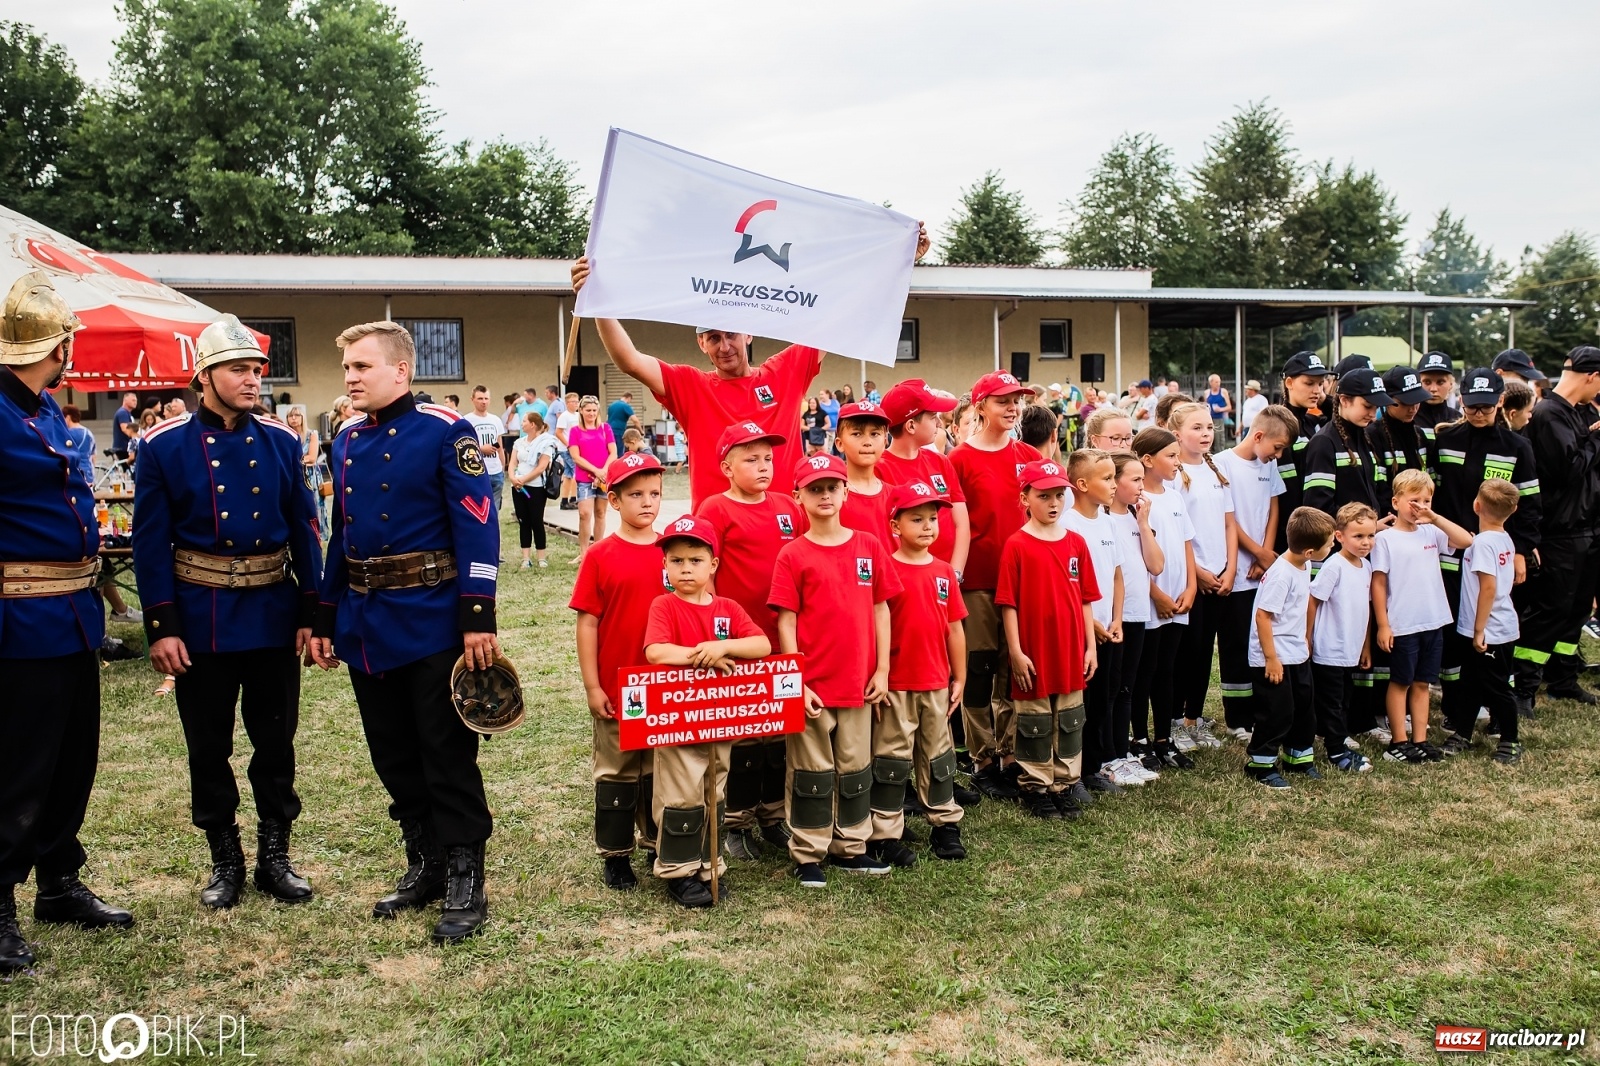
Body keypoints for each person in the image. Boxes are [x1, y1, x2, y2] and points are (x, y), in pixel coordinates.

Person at [309, 320, 501, 944]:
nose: (351, 378)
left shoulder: (447, 431)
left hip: (433, 618)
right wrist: (326, 615)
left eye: (362, 366)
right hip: (367, 623)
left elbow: (478, 523)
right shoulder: (345, 439)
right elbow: (341, 534)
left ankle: (465, 875)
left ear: (401, 370)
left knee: (445, 751)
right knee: (391, 752)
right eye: (347, 368)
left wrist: (477, 616)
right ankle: (427, 862)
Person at [130, 314, 321, 910]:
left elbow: (306, 530)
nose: (252, 380)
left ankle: (275, 856)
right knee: (208, 747)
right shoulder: (163, 447)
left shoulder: (281, 441)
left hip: (271, 612)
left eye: (256, 369)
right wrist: (162, 626)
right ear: (204, 377)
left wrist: (312, 611)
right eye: (238, 369)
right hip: (201, 619)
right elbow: (149, 545)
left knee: (276, 742)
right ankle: (225, 859)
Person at [570, 224, 928, 507]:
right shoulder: (690, 386)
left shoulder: (784, 372)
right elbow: (630, 361)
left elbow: (840, 312)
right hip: (717, 537)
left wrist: (898, 263)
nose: (724, 346)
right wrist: (596, 302)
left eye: (731, 334)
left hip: (786, 528)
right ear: (701, 343)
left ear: (749, 334)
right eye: (713, 338)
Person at [0, 272, 134, 973]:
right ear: (58, 347)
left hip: (73, 614)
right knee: (19, 767)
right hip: (20, 618)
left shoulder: (45, 409)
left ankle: (57, 881)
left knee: (71, 759)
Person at [769, 454, 902, 887]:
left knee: (855, 767)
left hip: (859, 681)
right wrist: (796, 680)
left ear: (846, 492)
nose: (825, 495)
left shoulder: (868, 544)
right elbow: (786, 621)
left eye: (832, 487)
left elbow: (881, 608)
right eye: (815, 489)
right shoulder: (792, 553)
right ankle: (808, 852)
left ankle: (851, 847)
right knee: (811, 771)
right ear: (798, 497)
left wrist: (882, 670)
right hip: (812, 684)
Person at [644, 515, 771, 907]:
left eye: (695, 560)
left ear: (713, 564)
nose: (686, 569)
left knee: (713, 791)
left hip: (719, 721)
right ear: (665, 565)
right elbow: (656, 651)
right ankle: (678, 871)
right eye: (677, 560)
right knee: (680, 796)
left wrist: (724, 647)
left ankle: (708, 865)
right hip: (677, 721)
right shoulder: (664, 605)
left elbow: (762, 645)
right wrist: (702, 656)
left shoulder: (727, 608)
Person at [695, 423, 805, 861]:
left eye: (768, 459)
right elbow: (705, 574)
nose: (763, 467)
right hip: (738, 644)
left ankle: (773, 815)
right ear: (726, 467)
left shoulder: (787, 507)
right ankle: (736, 822)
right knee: (742, 737)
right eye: (751, 459)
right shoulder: (715, 508)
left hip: (782, 637)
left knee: (777, 736)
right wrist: (716, 632)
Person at [1425, 369, 1541, 735]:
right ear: (1461, 401)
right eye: (1472, 407)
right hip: (1449, 555)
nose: (1478, 413)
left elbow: (1530, 505)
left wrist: (1521, 550)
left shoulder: (1517, 446)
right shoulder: (1444, 440)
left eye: (1486, 408)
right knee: (1454, 636)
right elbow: (1432, 496)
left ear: (1500, 402)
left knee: (1491, 631)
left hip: (1493, 555)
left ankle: (1497, 707)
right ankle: (1456, 709)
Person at [569, 452, 667, 891]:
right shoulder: (600, 555)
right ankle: (615, 854)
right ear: (614, 499)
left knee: (659, 769)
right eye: (636, 494)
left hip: (664, 685)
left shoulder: (674, 553)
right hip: (618, 685)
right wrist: (593, 686)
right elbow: (587, 623)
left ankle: (657, 842)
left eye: (655, 494)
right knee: (618, 771)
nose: (647, 502)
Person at [949, 372, 1044, 800]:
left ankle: (1009, 753)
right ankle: (982, 758)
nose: (1012, 407)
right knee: (979, 670)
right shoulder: (959, 460)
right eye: (1003, 400)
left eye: (1017, 400)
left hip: (1022, 581)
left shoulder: (1028, 455)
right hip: (979, 581)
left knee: (1012, 670)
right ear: (980, 406)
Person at [996, 459, 1099, 820]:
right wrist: (1016, 651)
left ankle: (1064, 784)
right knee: (1035, 720)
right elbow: (1008, 604)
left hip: (1070, 649)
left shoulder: (1076, 543)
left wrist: (1090, 646)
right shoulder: (1016, 545)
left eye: (1059, 495)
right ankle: (1036, 787)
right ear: (1025, 498)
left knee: (1070, 718)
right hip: (1033, 650)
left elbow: (1085, 599)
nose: (1053, 503)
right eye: (1044, 496)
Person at [873, 482, 969, 863]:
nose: (928, 526)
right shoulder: (886, 569)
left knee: (938, 757)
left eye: (933, 518)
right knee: (892, 761)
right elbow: (875, 628)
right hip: (896, 684)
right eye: (917, 519)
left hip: (935, 683)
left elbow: (955, 628)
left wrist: (959, 676)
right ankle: (885, 832)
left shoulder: (944, 572)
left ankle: (945, 825)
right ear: (895, 526)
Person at [1514, 346, 1600, 711]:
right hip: (1561, 532)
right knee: (1550, 611)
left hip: (1587, 528)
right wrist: (1596, 439)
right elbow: (1568, 469)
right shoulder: (1549, 414)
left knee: (1577, 611)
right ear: (1592, 376)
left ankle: (1563, 679)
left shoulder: (1577, 412)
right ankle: (1522, 687)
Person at [1371, 469, 1473, 764]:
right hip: (1403, 623)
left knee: (1422, 683)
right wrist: (1383, 624)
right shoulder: (1385, 539)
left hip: (1433, 620)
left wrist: (1435, 517)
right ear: (1396, 502)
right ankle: (1398, 742)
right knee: (1401, 682)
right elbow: (1378, 583)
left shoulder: (1431, 532)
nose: (1421, 506)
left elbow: (1466, 541)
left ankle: (1420, 739)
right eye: (1414, 500)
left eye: (1426, 500)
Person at [1213, 406, 1297, 741]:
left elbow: (1273, 508)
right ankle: (1237, 718)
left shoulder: (1269, 464)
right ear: (1259, 435)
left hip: (1262, 568)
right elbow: (1227, 518)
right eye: (1277, 447)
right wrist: (1256, 552)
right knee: (1234, 643)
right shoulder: (1221, 463)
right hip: (1237, 569)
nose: (1279, 455)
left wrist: (1266, 552)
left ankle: (1260, 710)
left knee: (1260, 639)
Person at [1245, 506, 1335, 789]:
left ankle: (1298, 758)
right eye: (1329, 544)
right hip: (1274, 657)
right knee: (1276, 712)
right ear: (1310, 551)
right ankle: (1260, 764)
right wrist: (1271, 658)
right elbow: (1263, 617)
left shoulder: (1304, 565)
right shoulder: (1281, 574)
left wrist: (1305, 638)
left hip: (1296, 653)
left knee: (1303, 709)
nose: (1332, 546)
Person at [1167, 402, 1237, 754]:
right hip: (1191, 579)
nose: (1206, 433)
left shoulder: (1216, 471)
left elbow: (1229, 524)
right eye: (1196, 428)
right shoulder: (1174, 476)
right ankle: (1175, 721)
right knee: (1187, 652)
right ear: (1176, 434)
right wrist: (1199, 573)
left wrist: (1230, 568)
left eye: (1209, 427)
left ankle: (1194, 718)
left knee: (1205, 652)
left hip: (1220, 577)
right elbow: (1176, 534)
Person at [1130, 427, 1196, 771]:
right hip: (1152, 601)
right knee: (1146, 671)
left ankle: (1163, 739)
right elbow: (1135, 555)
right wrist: (1155, 594)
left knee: (1168, 670)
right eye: (1170, 456)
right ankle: (1140, 740)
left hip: (1179, 597)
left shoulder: (1174, 496)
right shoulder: (1136, 501)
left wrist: (1191, 586)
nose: (1177, 462)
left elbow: (1186, 544)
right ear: (1147, 460)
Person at [1445, 480, 1524, 763]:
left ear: (1476, 505)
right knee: (1470, 683)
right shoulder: (1504, 538)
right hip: (1489, 628)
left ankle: (1511, 740)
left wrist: (1479, 629)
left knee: (1497, 687)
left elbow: (1488, 588)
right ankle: (1463, 733)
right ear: (1513, 510)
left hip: (1490, 631)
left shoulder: (1483, 544)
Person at [1060, 450, 1124, 795]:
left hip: (1108, 630)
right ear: (1082, 485)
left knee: (1102, 701)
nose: (1115, 485)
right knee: (1077, 705)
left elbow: (1116, 576)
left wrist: (1116, 619)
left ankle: (1093, 768)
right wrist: (1092, 626)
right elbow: (1067, 586)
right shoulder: (1068, 525)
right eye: (1108, 478)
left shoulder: (1109, 522)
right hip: (1081, 631)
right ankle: (1071, 773)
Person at [1102, 452, 1163, 787]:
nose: (1142, 486)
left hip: (1138, 613)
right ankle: (1107, 755)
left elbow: (1156, 565)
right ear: (1114, 482)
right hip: (1113, 618)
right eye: (1135, 479)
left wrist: (1142, 524)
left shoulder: (1134, 518)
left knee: (1127, 686)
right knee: (1110, 689)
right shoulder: (1102, 519)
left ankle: (1122, 753)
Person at [1307, 503, 1378, 773]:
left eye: (1370, 535)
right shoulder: (1334, 566)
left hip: (1351, 649)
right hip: (1330, 649)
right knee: (1332, 702)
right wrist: (1307, 638)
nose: (1366, 542)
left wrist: (1365, 646)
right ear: (1339, 536)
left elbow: (1365, 609)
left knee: (1345, 699)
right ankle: (1337, 751)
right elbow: (1313, 601)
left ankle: (1336, 739)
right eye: (1358, 536)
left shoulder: (1366, 567)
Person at [878, 379, 969, 575]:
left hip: (947, 579)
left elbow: (961, 524)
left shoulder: (941, 462)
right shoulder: (879, 470)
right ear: (911, 425)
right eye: (933, 417)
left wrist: (955, 573)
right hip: (904, 581)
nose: (939, 423)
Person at [1302, 369, 1389, 519]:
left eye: (1376, 407)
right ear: (1344, 400)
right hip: (1341, 534)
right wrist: (1367, 525)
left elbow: (1378, 495)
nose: (1373, 414)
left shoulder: (1366, 438)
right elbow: (1318, 508)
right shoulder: (1324, 442)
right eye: (1368, 406)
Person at [1272, 352, 1333, 552]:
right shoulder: (1277, 425)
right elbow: (1286, 493)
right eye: (1309, 383)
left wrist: (1325, 401)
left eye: (1321, 384)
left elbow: (1343, 422)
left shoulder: (1313, 423)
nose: (1316, 390)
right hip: (1290, 536)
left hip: (1311, 530)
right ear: (1289, 382)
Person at [1368, 367, 1430, 516]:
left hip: (1421, 519)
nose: (1413, 408)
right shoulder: (1373, 435)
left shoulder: (1420, 435)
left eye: (1417, 401)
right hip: (1389, 520)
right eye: (1405, 403)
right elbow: (1378, 489)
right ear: (1387, 400)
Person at [835, 400, 894, 550]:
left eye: (874, 434)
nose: (867, 442)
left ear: (885, 441)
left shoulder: (896, 496)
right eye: (857, 434)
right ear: (840, 443)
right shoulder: (831, 496)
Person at [568, 395, 619, 564]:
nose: (591, 413)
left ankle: (597, 550)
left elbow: (613, 452)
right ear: (581, 411)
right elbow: (576, 456)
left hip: (604, 478)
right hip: (585, 478)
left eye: (594, 410)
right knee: (584, 514)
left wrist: (603, 472)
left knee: (600, 513)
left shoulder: (605, 428)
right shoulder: (575, 431)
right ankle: (584, 553)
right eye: (588, 410)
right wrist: (595, 471)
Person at [508, 411, 558, 568]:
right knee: (523, 520)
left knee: (536, 520)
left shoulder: (546, 443)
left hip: (535, 488)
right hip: (518, 487)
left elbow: (541, 467)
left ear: (532, 424)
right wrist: (513, 478)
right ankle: (525, 558)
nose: (522, 424)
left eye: (524, 421)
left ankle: (541, 557)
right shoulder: (519, 442)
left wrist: (524, 479)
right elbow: (512, 463)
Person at [464, 386, 506, 512]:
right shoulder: (466, 421)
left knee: (494, 510)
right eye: (480, 398)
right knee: (479, 509)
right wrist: (480, 449)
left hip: (496, 471)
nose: (483, 402)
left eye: (486, 398)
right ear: (472, 399)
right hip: (477, 471)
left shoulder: (495, 420)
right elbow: (464, 448)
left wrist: (502, 468)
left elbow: (500, 447)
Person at [1414, 351, 1459, 433]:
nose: (1433, 389)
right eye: (1427, 382)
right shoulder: (1408, 418)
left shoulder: (1458, 420)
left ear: (1451, 384)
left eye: (1440, 382)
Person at [552, 392, 582, 511]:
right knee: (576, 472)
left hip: (575, 447)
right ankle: (573, 499)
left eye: (577, 401)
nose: (576, 404)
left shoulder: (578, 415)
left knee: (568, 475)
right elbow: (558, 432)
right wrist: (568, 444)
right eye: (573, 402)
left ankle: (564, 501)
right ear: (567, 403)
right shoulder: (564, 416)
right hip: (566, 449)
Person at [1204, 374, 1233, 449]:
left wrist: (1220, 409)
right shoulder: (1207, 393)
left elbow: (1229, 407)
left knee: (1219, 439)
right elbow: (1205, 406)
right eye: (1216, 382)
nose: (1218, 384)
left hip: (1219, 419)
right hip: (1209, 419)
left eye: (1219, 382)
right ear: (1211, 383)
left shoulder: (1223, 392)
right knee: (1209, 438)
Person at [112, 390, 138, 462]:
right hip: (123, 448)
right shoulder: (123, 413)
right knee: (127, 467)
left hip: (125, 447)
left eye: (136, 400)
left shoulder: (127, 413)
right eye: (133, 400)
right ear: (125, 400)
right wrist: (137, 437)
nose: (135, 402)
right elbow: (125, 429)